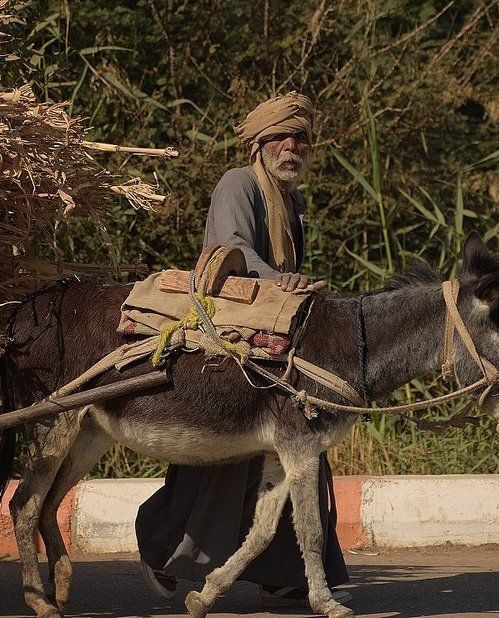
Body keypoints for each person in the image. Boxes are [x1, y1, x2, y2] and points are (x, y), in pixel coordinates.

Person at [134, 92, 350, 607]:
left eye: (301, 138)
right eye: (282, 137)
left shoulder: (292, 202)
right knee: (227, 451)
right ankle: (163, 547)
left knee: (299, 441)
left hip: (270, 333)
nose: (292, 147)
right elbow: (234, 250)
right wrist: (284, 281)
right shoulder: (239, 184)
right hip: (227, 333)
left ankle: (285, 569)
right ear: (260, 142)